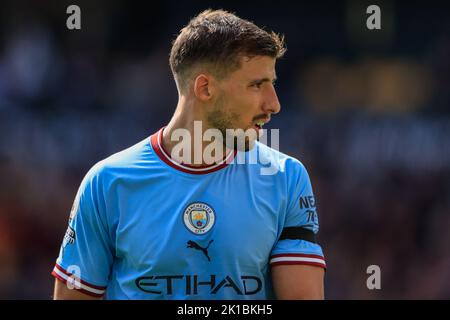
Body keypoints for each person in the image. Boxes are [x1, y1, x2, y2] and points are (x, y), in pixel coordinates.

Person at [52, 9, 326, 300]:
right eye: (257, 85)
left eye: (272, 84)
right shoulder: (106, 183)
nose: (274, 104)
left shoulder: (286, 178)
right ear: (205, 88)